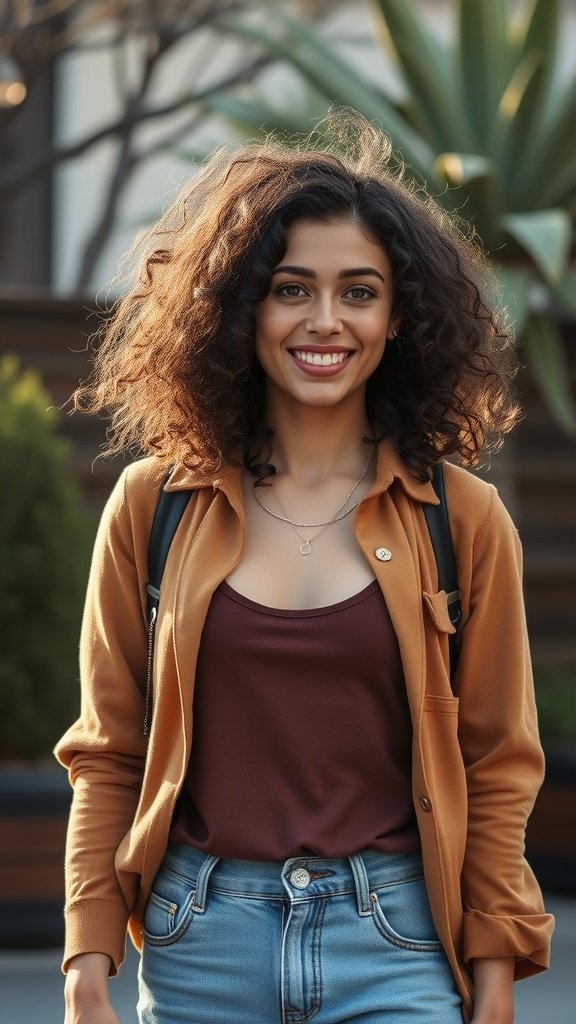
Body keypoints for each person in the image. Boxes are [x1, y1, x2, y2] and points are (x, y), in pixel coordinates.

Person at [56, 112, 554, 1024]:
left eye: (358, 292)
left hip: (398, 947)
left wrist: (493, 977)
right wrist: (86, 960)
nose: (325, 322)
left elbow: (497, 765)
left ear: (400, 316)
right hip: (200, 942)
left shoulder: (465, 519)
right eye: (292, 290)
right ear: (242, 309)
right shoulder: (151, 507)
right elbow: (109, 750)